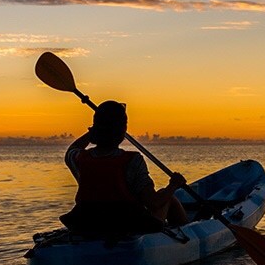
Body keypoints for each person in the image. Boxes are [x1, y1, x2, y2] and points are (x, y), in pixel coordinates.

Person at [59, 100, 187, 237]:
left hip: (87, 225)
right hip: (127, 226)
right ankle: (187, 235)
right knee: (167, 197)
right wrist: (173, 185)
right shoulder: (133, 161)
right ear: (123, 131)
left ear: (95, 130)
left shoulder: (79, 159)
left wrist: (94, 130)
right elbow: (154, 203)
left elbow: (71, 150)